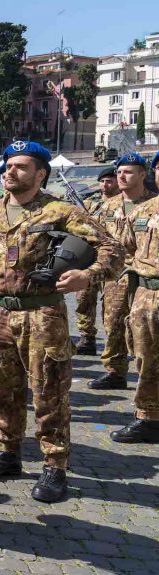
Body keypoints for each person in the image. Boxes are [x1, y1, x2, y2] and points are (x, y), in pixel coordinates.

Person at [0, 141, 119, 503]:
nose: (11, 171)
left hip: (42, 313)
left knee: (49, 391)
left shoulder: (59, 211)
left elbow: (112, 249)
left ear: (40, 174)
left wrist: (89, 275)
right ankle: (7, 453)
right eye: (8, 165)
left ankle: (54, 465)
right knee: (1, 388)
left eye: (21, 166)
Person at [88, 154, 154, 391]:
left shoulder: (153, 204)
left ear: (143, 175)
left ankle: (146, 375)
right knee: (113, 321)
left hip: (143, 277)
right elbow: (94, 239)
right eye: (119, 172)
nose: (121, 176)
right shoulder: (108, 206)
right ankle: (115, 371)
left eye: (128, 172)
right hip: (115, 276)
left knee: (143, 328)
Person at [110, 151, 159, 443]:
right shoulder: (144, 211)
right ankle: (149, 417)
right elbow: (123, 247)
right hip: (146, 294)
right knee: (145, 356)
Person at [74, 166, 119, 354]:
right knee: (83, 299)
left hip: (114, 261)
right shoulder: (91, 204)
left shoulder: (123, 204)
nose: (105, 184)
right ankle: (87, 337)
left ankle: (116, 344)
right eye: (102, 181)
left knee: (113, 305)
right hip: (90, 259)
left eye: (109, 180)